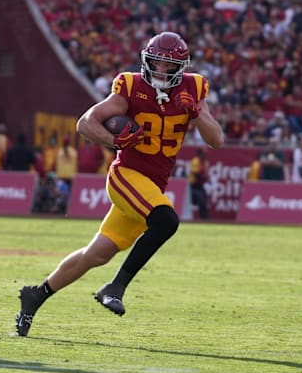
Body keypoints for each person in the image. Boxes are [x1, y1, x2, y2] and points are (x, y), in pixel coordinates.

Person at [15, 31, 223, 336]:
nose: (160, 71)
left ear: (182, 67)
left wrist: (197, 113)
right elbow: (86, 122)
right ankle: (115, 286)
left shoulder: (194, 88)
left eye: (168, 66)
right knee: (166, 220)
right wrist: (115, 141)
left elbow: (216, 140)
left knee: (95, 254)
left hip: (151, 187)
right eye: (156, 63)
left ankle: (36, 295)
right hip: (126, 176)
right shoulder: (131, 86)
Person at [189, 147, 210, 220]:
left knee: (204, 203)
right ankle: (203, 219)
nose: (205, 155)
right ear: (200, 153)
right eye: (203, 153)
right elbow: (195, 173)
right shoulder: (196, 160)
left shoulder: (204, 162)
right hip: (194, 186)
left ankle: (204, 218)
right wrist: (204, 177)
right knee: (201, 202)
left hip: (200, 186)